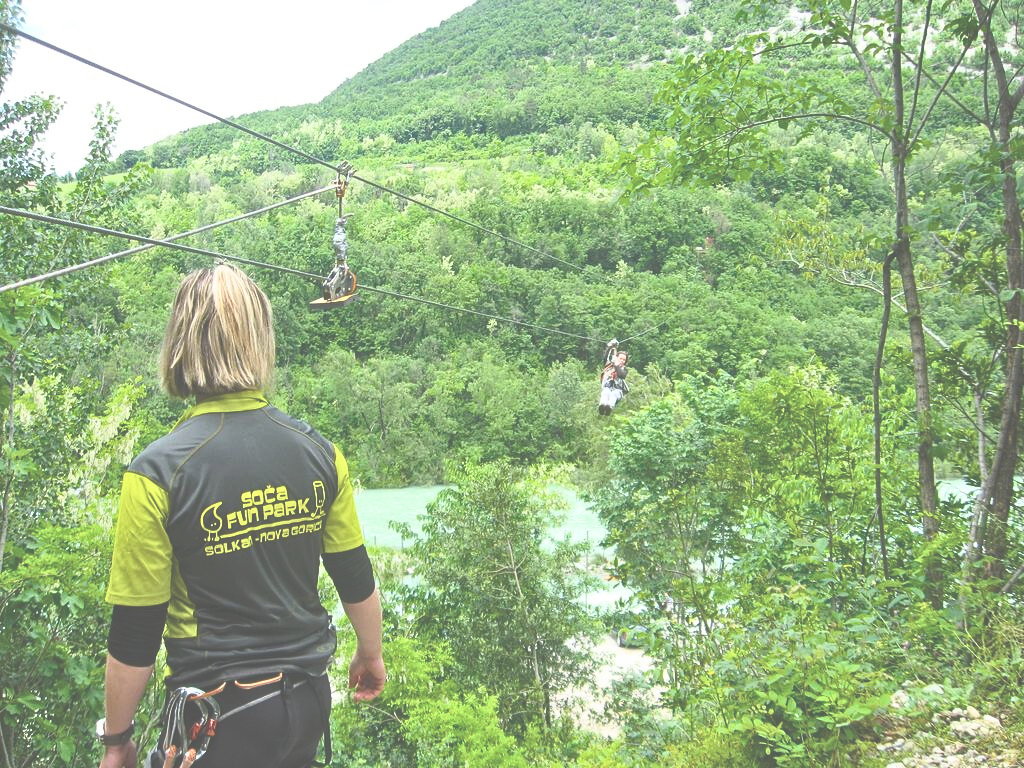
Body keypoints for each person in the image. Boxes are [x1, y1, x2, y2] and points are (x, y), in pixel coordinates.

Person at [97, 263, 386, 768]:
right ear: (259, 340)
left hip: (214, 719)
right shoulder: (318, 452)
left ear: (180, 344)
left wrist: (117, 741)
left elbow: (136, 630)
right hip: (307, 701)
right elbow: (354, 574)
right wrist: (370, 652)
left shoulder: (157, 473)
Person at [598, 339, 629, 416]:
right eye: (620, 358)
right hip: (608, 387)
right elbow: (606, 356)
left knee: (614, 394)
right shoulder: (609, 365)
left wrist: (616, 364)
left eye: (624, 360)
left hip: (618, 390)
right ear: (616, 357)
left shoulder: (624, 369)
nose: (622, 361)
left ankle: (609, 407)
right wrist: (611, 346)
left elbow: (622, 375)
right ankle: (602, 406)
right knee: (606, 392)